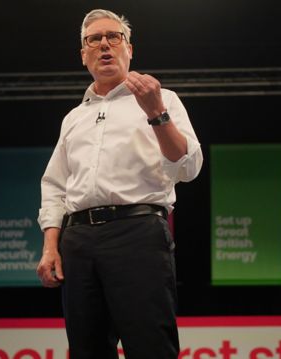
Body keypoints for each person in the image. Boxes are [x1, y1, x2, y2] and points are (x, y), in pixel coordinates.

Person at [36, 8, 203, 359]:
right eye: (94, 39)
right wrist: (52, 246)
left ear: (130, 49)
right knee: (87, 350)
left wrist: (156, 112)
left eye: (114, 37)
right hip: (78, 241)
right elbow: (55, 186)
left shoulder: (163, 98)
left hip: (137, 232)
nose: (104, 45)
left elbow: (188, 166)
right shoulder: (74, 117)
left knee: (150, 346)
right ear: (83, 55)